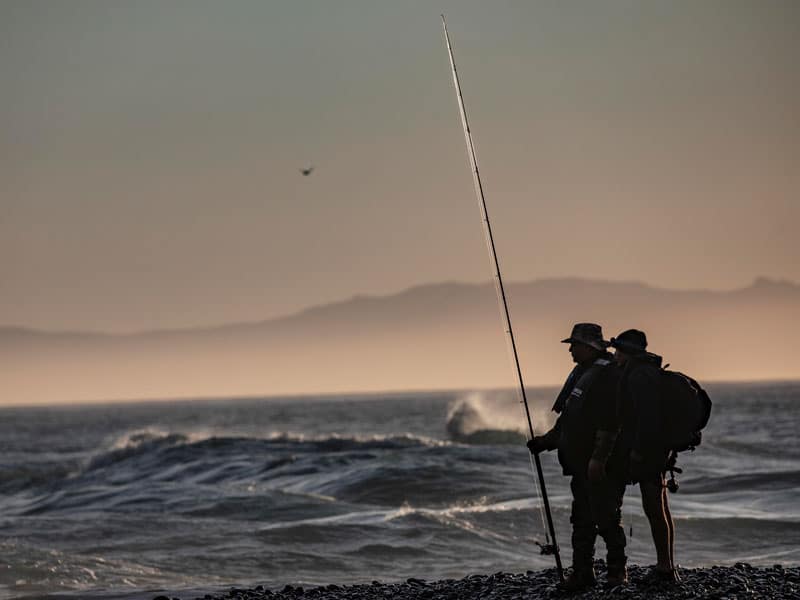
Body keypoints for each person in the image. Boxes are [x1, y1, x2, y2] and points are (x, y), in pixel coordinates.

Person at [527, 323, 628, 590]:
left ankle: (617, 572)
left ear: (589, 347)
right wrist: (545, 442)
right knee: (582, 520)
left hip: (601, 466)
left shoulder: (608, 376)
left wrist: (599, 459)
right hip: (580, 465)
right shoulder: (584, 373)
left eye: (575, 344)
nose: (570, 349)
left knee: (606, 518)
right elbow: (568, 421)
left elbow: (611, 423)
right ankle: (583, 573)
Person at [610, 328, 679, 583]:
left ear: (628, 352)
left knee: (654, 507)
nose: (615, 355)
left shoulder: (639, 376)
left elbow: (647, 419)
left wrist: (637, 452)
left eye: (618, 350)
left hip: (649, 452)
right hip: (657, 450)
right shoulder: (645, 371)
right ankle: (667, 565)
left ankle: (665, 568)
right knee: (659, 507)